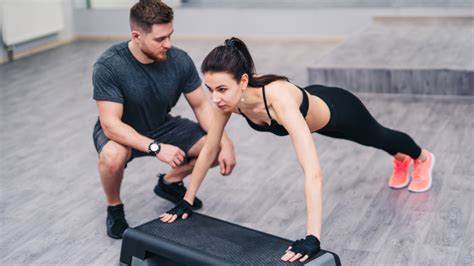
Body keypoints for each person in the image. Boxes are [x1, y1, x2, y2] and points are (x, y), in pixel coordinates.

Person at [158, 37, 435, 262]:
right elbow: (209, 149)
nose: (214, 98)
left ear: (243, 81)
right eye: (210, 89)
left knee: (379, 137)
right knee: (380, 142)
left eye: (221, 89)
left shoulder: (278, 99)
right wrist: (188, 199)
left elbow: (312, 171)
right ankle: (401, 158)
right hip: (312, 109)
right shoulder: (228, 101)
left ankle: (421, 157)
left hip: (339, 111)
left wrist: (312, 237)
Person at [92, 0, 236, 240]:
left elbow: (201, 105)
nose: (168, 44)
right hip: (123, 131)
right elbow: (111, 125)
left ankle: (170, 182)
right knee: (112, 156)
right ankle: (114, 207)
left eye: (170, 35)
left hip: (162, 124)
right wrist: (155, 147)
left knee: (215, 147)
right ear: (137, 36)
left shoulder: (179, 60)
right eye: (160, 39)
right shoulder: (109, 65)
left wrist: (225, 141)